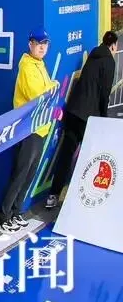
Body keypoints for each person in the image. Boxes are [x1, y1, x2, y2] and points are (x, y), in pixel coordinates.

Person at [47, 31, 119, 207]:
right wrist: (103, 118)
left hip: (73, 111)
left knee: (66, 154)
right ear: (113, 46)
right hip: (88, 117)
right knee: (88, 157)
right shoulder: (108, 61)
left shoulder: (93, 56)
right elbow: (104, 93)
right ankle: (78, 200)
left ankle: (53, 195)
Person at [0, 28, 58, 233]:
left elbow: (47, 91)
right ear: (30, 44)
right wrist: (53, 86)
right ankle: (4, 217)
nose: (42, 47)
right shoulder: (26, 65)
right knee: (20, 173)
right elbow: (36, 95)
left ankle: (16, 212)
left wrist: (51, 87)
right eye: (38, 43)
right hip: (27, 128)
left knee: (30, 174)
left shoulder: (40, 64)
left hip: (40, 127)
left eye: (45, 43)